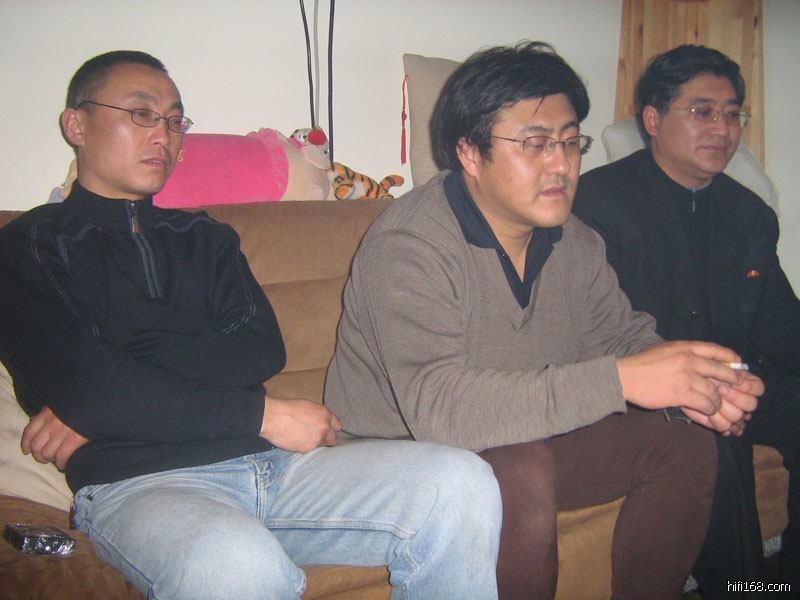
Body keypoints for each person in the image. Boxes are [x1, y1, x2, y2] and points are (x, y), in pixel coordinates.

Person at [0, 50, 503, 600]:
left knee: (461, 483)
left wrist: (112, 400)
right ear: (76, 124)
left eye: (175, 120)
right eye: (141, 114)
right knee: (236, 563)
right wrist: (263, 414)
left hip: (275, 469)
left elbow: (259, 348)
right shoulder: (27, 248)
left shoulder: (205, 237)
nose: (164, 136)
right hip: (139, 484)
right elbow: (87, 384)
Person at [324, 41, 765, 600]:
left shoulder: (575, 242)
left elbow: (623, 336)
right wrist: (622, 380)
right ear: (469, 153)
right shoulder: (410, 245)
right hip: (399, 458)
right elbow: (440, 410)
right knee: (517, 469)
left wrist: (702, 383)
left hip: (525, 437)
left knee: (685, 442)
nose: (562, 164)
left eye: (569, 141)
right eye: (535, 144)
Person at [573, 44, 800, 596]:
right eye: (702, 111)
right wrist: (699, 385)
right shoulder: (595, 204)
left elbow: (781, 325)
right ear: (653, 120)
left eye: (733, 114)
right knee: (710, 437)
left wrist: (738, 381)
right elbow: (589, 330)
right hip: (645, 390)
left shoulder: (750, 213)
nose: (722, 128)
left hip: (739, 378)